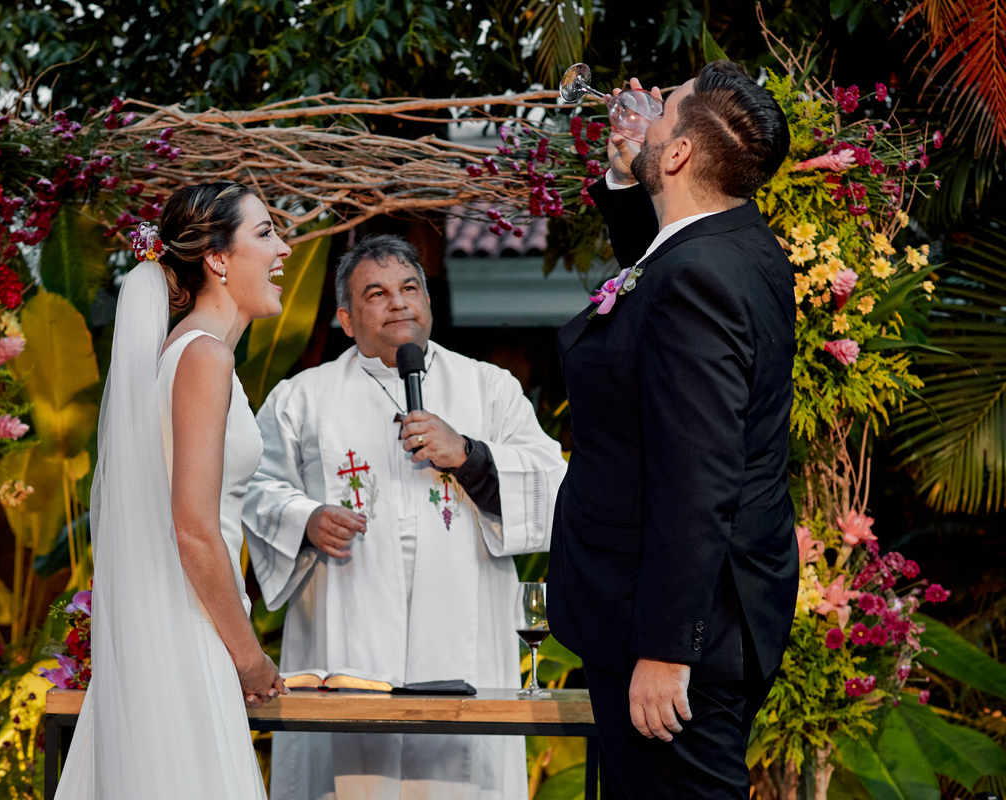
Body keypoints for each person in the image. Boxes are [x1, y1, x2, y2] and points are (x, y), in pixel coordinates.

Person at [547, 61, 797, 799]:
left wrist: (665, 649)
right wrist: (630, 177)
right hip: (707, 613)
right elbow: (654, 301)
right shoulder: (738, 246)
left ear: (681, 153)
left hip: (673, 631)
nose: (646, 111)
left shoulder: (696, 279)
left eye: (664, 112)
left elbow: (698, 476)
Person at [243, 234, 568, 800]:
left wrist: (469, 454)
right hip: (346, 626)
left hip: (464, 629)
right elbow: (252, 486)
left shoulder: (488, 388)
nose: (398, 302)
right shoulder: (302, 398)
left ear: (428, 302)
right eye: (376, 293)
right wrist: (305, 519)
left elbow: (552, 483)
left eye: (410, 287)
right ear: (347, 319)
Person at [55, 182, 290, 799]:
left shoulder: (188, 354)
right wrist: (250, 657)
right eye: (266, 233)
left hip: (181, 626)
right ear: (216, 258)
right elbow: (193, 530)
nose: (285, 249)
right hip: (189, 635)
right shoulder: (204, 358)